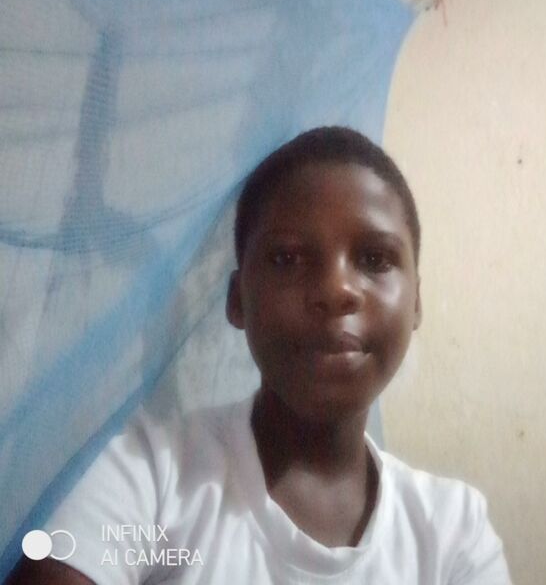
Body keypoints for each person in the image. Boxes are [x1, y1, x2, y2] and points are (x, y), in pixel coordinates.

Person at [8, 127, 512, 584]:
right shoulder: (146, 475)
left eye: (374, 258)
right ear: (236, 301)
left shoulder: (453, 532)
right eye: (287, 258)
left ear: (416, 301)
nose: (336, 289)